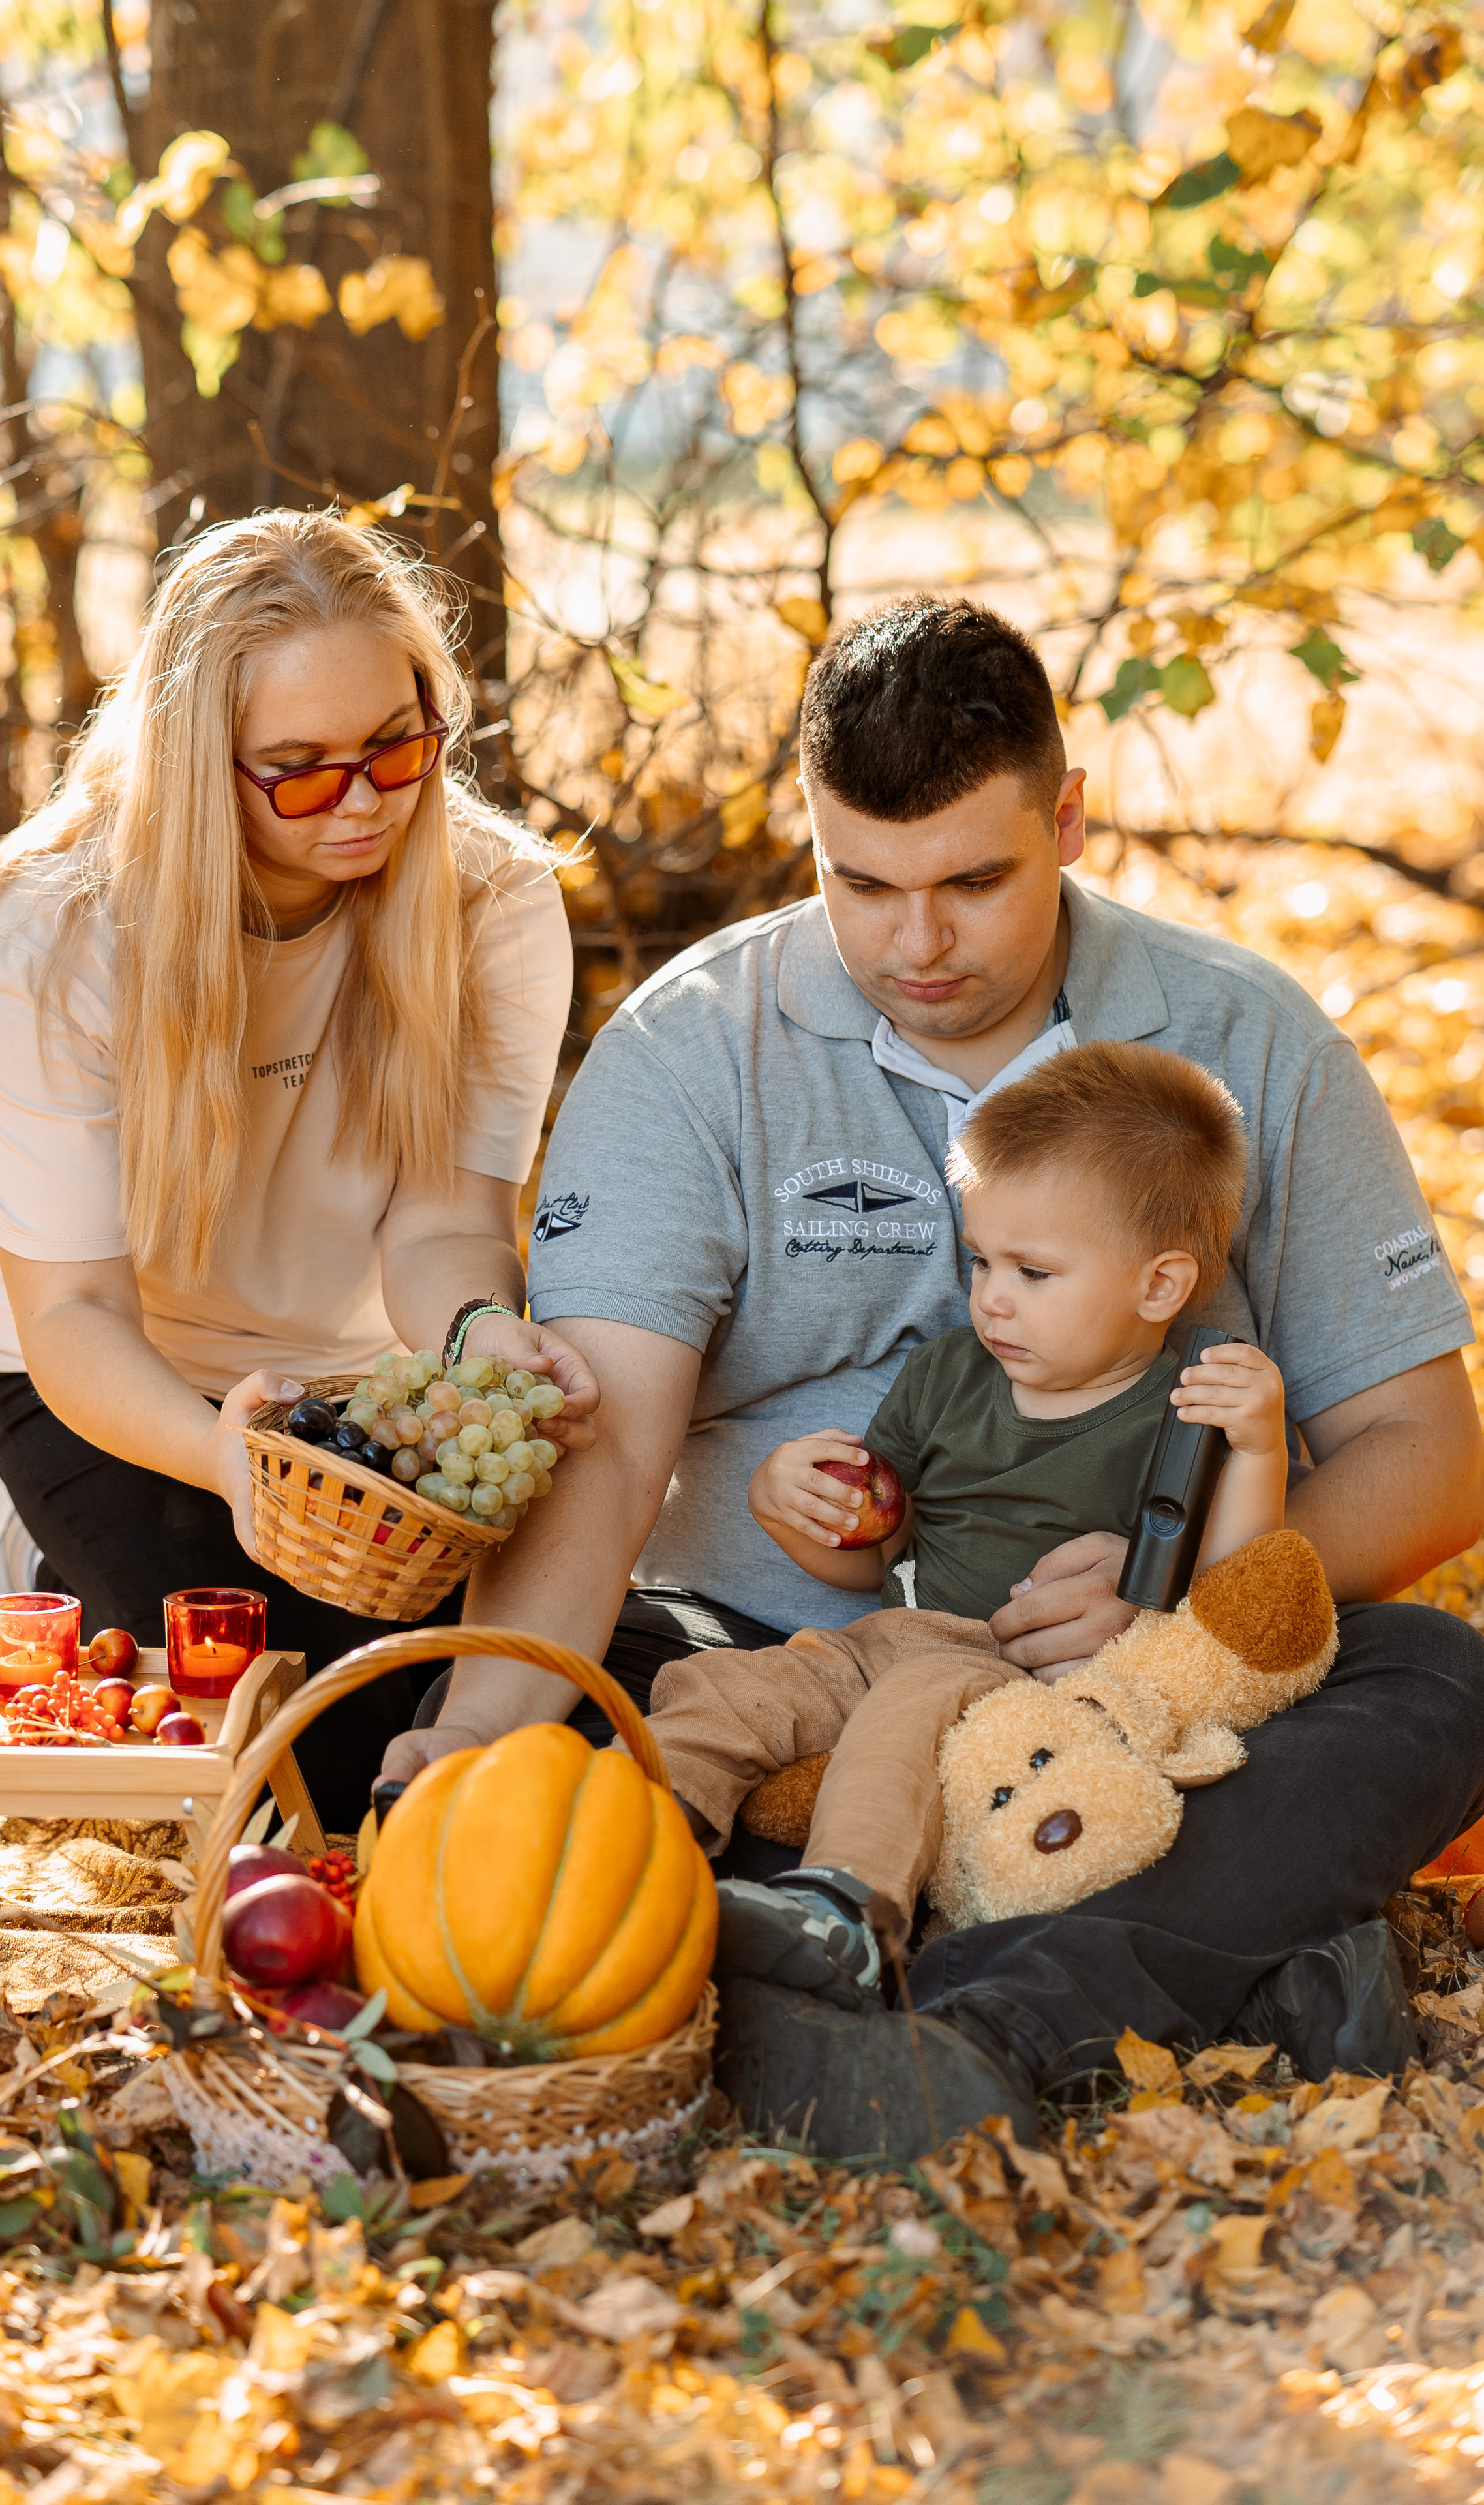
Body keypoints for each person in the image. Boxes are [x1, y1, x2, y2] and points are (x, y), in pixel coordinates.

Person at [385, 592, 1484, 2123]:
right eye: (861, 883)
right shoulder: (691, 1049)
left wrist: (1179, 1595)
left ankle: (961, 2017)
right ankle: (1234, 1955)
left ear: (1071, 821)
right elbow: (609, 1447)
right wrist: (472, 1740)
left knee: (1432, 1679)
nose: (916, 943)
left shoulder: (1250, 1045)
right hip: (771, 1652)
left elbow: (1430, 1452)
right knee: (590, 1715)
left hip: (1136, 1692)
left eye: (974, 880)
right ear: (809, 833)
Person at [0, 511, 596, 1830]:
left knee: (495, 1718)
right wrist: (226, 1463)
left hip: (358, 1384)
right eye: (296, 770)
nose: (362, 805)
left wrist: (477, 1334)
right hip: (123, 1383)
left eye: (397, 751)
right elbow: (74, 1315)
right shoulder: (51, 936)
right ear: (192, 766)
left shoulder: (491, 899)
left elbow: (446, 1222)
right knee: (314, 1755)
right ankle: (58, 1536)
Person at [647, 1039, 1290, 2005]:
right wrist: (789, 1507)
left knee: (909, 1711)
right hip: (881, 1636)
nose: (991, 1296)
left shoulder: (1187, 1407)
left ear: (1158, 1285)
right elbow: (875, 1558)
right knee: (719, 1687)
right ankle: (623, 1834)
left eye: (1033, 1272)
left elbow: (1232, 1594)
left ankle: (848, 1910)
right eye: (981, 1258)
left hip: (1013, 1677)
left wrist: (1262, 1447)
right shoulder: (950, 1374)